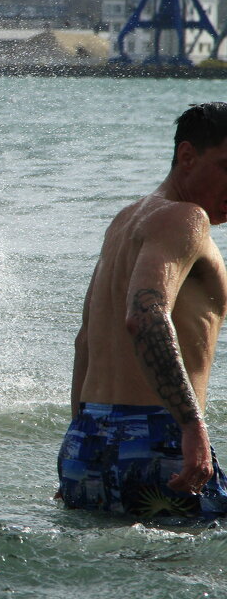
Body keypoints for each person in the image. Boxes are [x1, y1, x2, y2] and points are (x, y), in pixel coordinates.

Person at [59, 103, 227, 520]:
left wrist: (77, 438)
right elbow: (148, 315)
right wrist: (190, 425)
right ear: (187, 156)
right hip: (158, 436)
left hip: (88, 436)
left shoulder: (126, 220)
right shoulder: (185, 217)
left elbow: (85, 341)